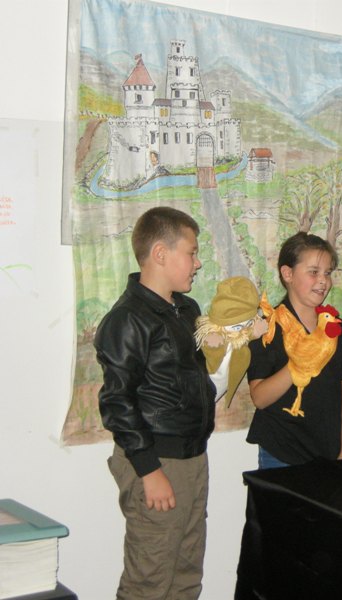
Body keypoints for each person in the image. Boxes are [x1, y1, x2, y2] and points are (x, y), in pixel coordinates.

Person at [95, 206, 215, 600]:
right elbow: (117, 402)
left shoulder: (186, 309)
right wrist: (149, 469)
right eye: (191, 253)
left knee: (185, 573)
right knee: (149, 580)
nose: (198, 263)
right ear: (161, 254)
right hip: (157, 462)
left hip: (192, 457)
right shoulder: (128, 318)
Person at [246, 232, 342, 468]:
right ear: (288, 274)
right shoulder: (267, 327)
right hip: (281, 452)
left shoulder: (338, 328)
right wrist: (299, 362)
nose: (323, 281)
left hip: (329, 451)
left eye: (328, 273)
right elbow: (260, 398)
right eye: (314, 272)